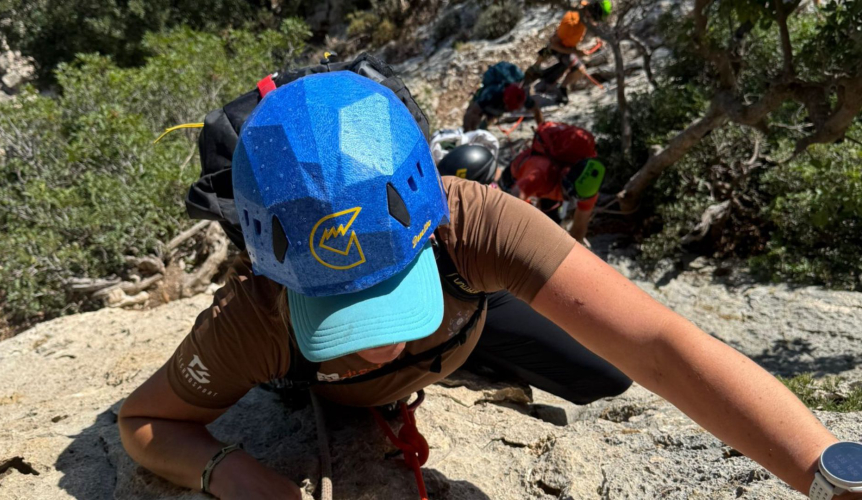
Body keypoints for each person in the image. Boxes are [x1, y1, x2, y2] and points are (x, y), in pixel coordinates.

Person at [119, 72, 859, 500]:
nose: (378, 343)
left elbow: (659, 346)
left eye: (387, 300)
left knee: (599, 377)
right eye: (341, 312)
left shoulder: (471, 220)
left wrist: (824, 473)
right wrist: (233, 473)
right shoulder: (256, 317)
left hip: (467, 311)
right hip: (434, 329)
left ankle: (461, 348)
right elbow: (145, 423)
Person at [525, 0, 612, 104]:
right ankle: (534, 78)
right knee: (578, 69)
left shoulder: (584, 12)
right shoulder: (571, 23)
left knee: (578, 69)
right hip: (559, 48)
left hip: (567, 47)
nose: (593, 20)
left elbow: (591, 23)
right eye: (593, 17)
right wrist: (577, 52)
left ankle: (562, 88)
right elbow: (554, 45)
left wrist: (596, 37)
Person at [463, 62, 543, 131]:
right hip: (490, 103)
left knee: (492, 116)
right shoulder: (491, 93)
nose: (511, 111)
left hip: (496, 108)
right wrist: (467, 133)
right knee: (476, 115)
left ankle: (483, 127)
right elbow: (472, 111)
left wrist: (542, 128)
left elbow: (536, 110)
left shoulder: (522, 97)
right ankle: (472, 132)